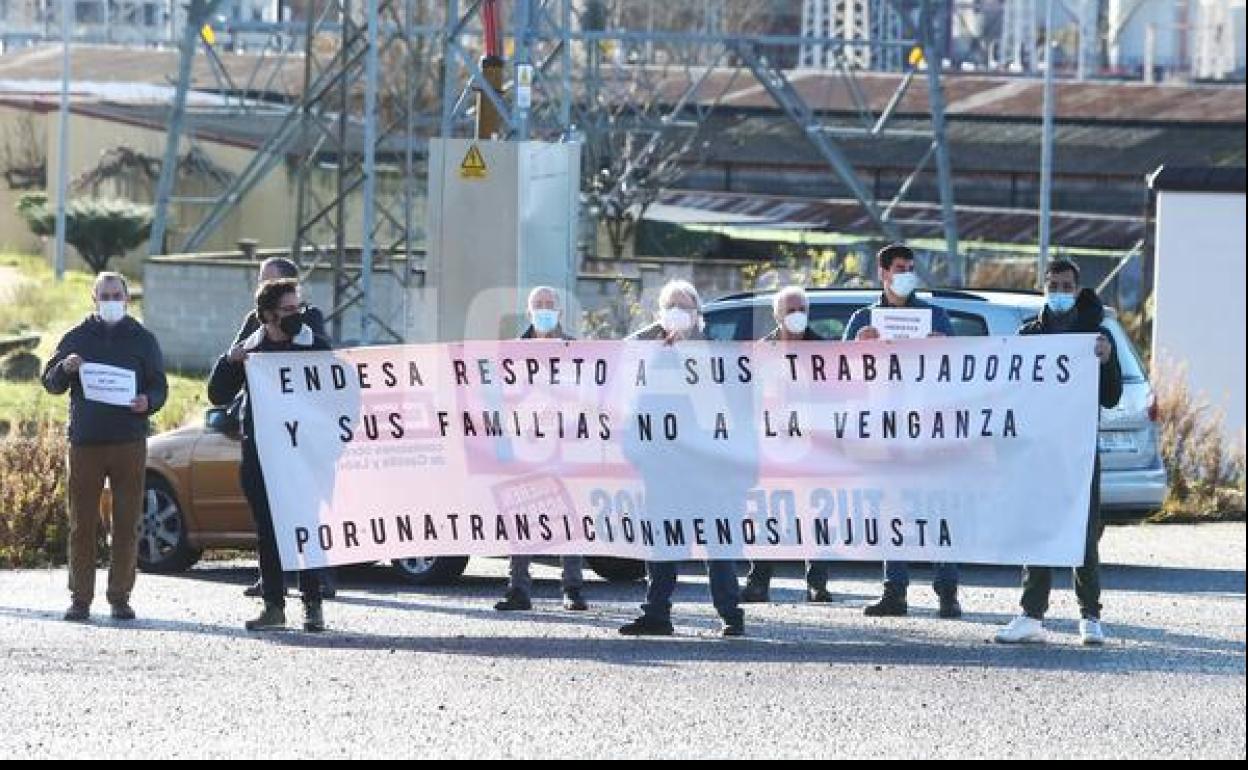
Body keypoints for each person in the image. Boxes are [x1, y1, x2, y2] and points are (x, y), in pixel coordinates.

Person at [995, 259, 1122, 646]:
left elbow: (1112, 397)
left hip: (1078, 451)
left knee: (1083, 532)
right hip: (1038, 450)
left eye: (1067, 286)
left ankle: (1090, 616)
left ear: (1078, 289)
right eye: (1054, 286)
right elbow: (1010, 390)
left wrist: (1107, 361)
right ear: (1044, 287)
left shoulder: (1097, 336)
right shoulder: (1029, 335)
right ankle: (1032, 614)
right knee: (1038, 528)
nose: (1060, 293)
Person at [618, 280, 748, 637]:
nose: (677, 312)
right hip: (664, 468)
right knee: (662, 543)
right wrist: (639, 456)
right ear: (661, 315)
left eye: (684, 306)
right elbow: (634, 408)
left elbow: (727, 410)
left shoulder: (716, 355)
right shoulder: (649, 356)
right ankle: (656, 613)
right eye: (670, 306)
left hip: (709, 470)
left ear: (697, 314)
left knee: (717, 545)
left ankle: (730, 613)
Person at [844, 243, 963, 619]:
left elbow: (962, 372)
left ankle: (947, 591)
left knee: (936, 508)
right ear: (883, 273)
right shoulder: (864, 319)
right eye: (900, 268)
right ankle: (894, 591)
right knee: (891, 510)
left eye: (911, 268)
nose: (907, 274)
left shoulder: (935, 317)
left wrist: (944, 348)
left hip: (927, 429)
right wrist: (857, 349)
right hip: (883, 430)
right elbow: (838, 377)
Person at [42, 272, 167, 622]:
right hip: (86, 444)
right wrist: (64, 368)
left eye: (117, 295)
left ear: (127, 299)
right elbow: (50, 382)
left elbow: (159, 386)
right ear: (93, 299)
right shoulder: (76, 337)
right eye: (105, 295)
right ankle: (80, 598)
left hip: (129, 442)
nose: (111, 301)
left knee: (127, 524)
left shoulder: (144, 340)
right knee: (82, 524)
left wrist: (149, 401)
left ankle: (120, 597)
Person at [208, 278, 331, 632]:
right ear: (267, 315)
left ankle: (313, 605)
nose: (296, 315)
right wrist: (230, 362)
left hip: (303, 455)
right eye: (288, 310)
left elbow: (337, 390)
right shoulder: (252, 351)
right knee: (268, 530)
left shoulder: (313, 346)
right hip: (261, 454)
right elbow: (218, 394)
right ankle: (274, 605)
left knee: (306, 526)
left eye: (298, 308)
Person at [494, 286, 589, 613]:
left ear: (559, 312)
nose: (544, 309)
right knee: (522, 514)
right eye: (539, 304)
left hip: (565, 442)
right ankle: (518, 589)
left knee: (569, 515)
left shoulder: (574, 349)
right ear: (529, 311)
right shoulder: (512, 352)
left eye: (550, 304)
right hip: (525, 443)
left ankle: (573, 589)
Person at [741, 285, 834, 604]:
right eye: (790, 311)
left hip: (813, 447)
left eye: (802, 310)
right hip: (770, 447)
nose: (797, 316)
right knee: (767, 513)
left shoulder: (823, 351)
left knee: (815, 514)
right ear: (777, 316)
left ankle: (817, 583)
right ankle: (758, 581)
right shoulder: (760, 352)